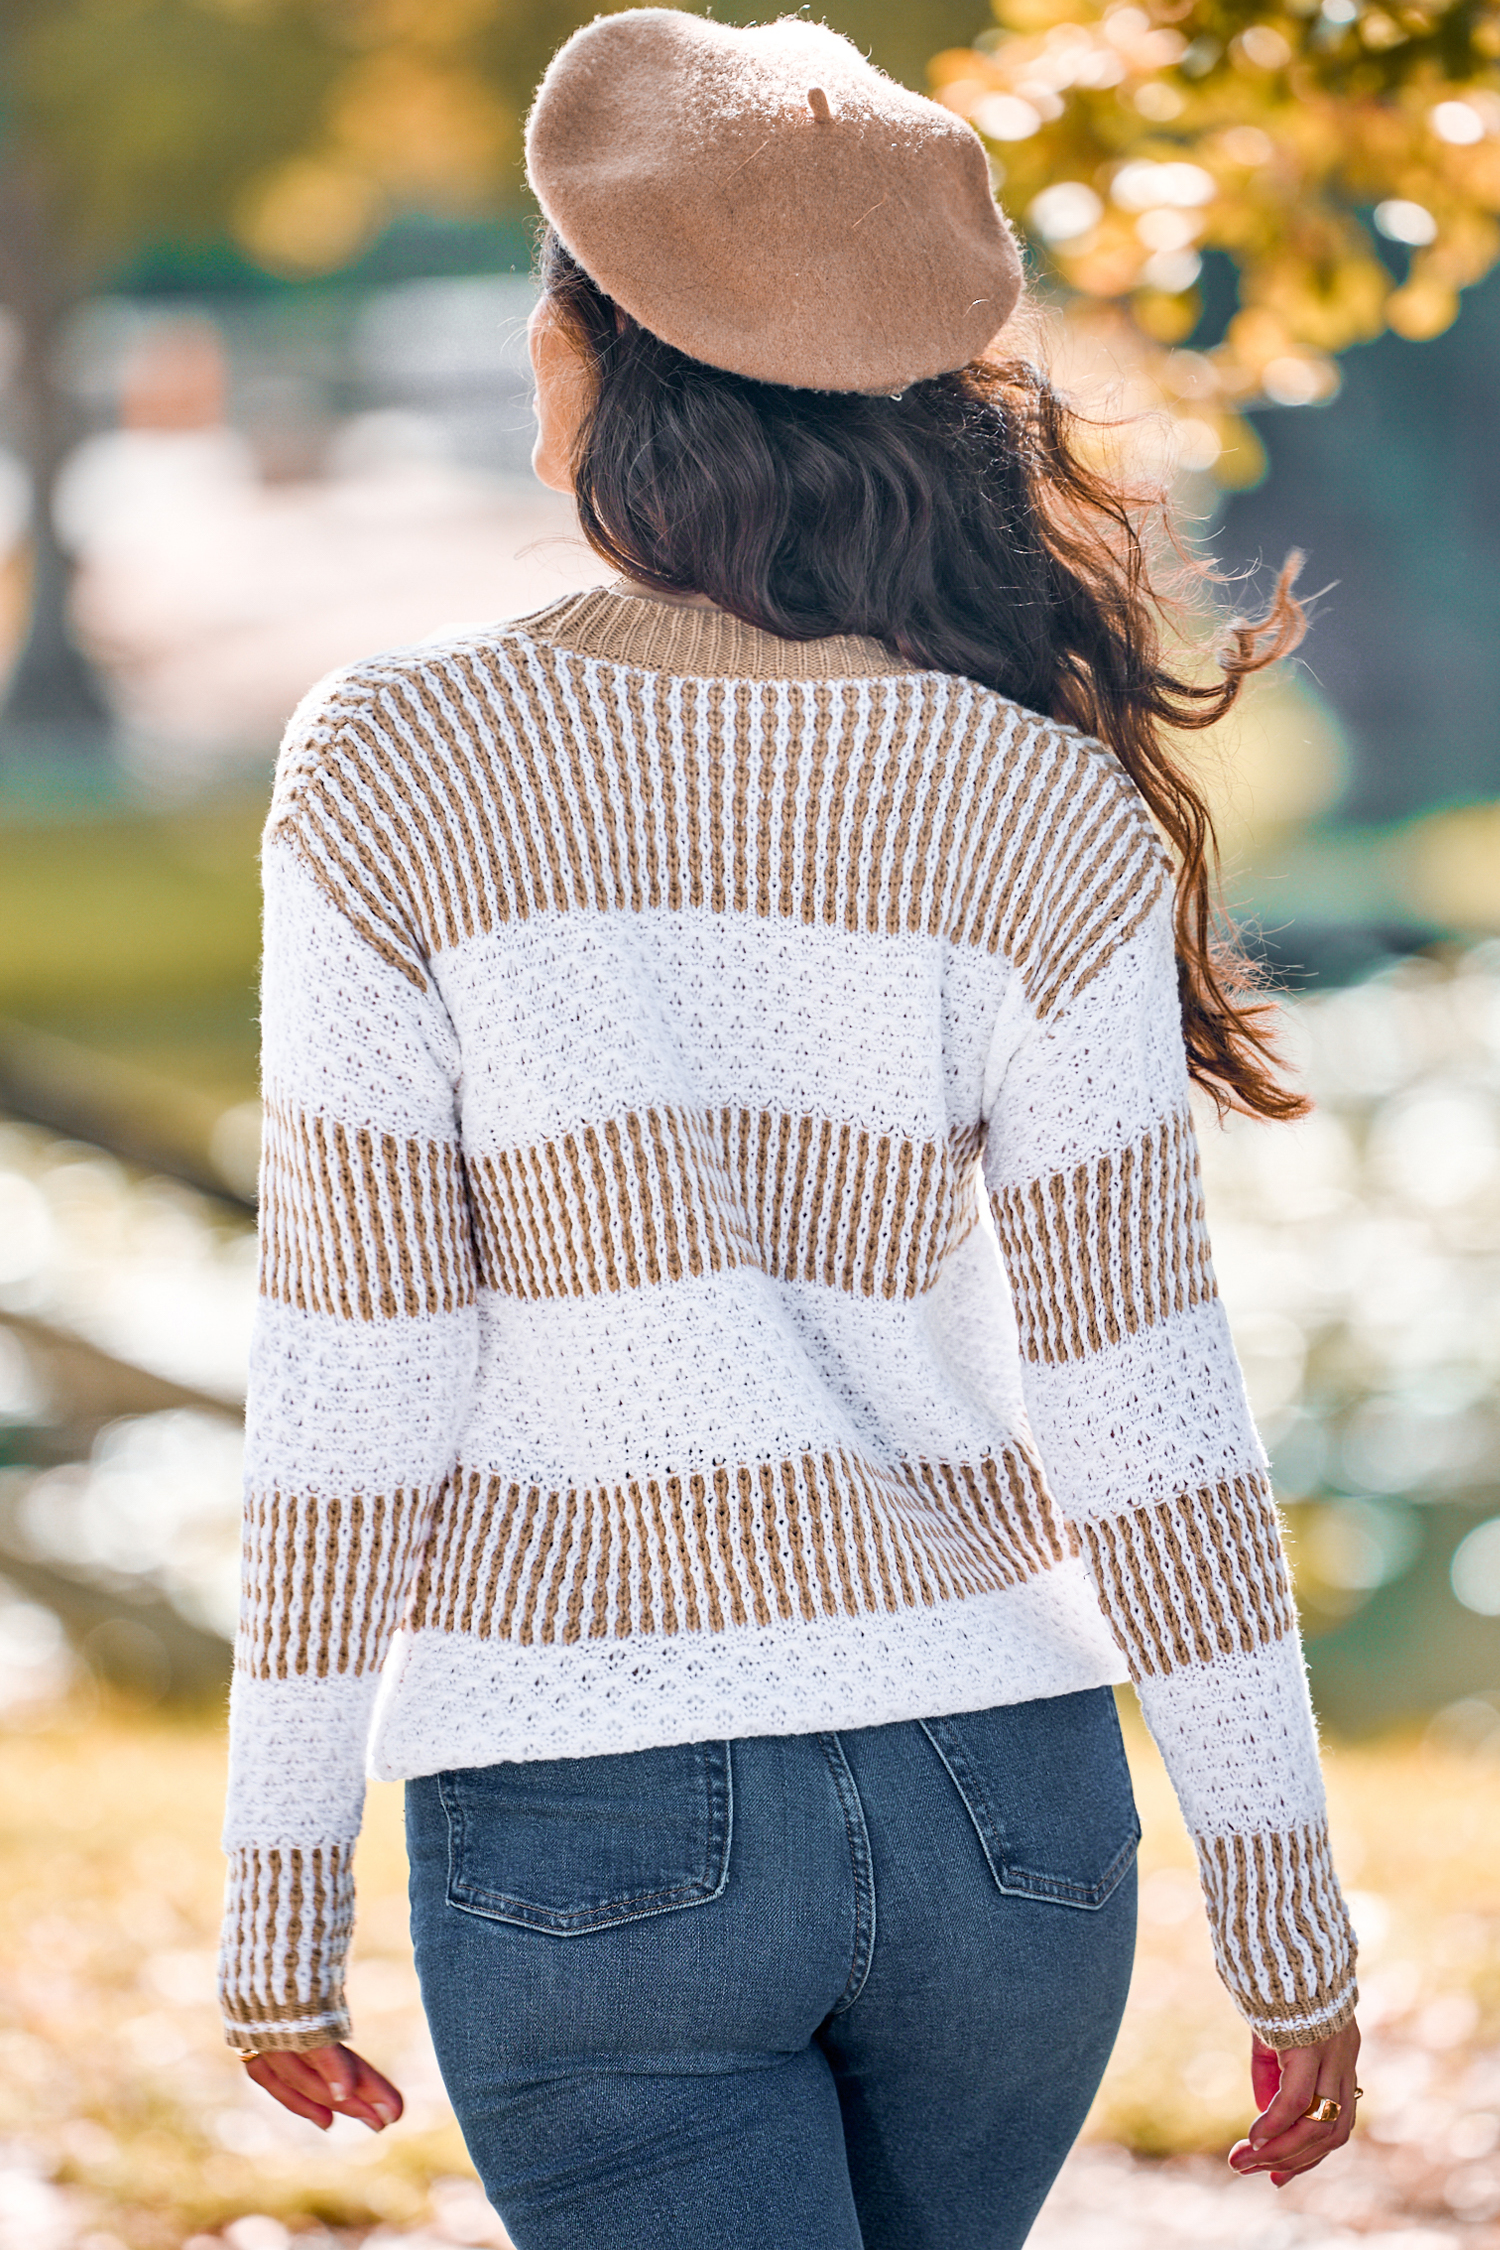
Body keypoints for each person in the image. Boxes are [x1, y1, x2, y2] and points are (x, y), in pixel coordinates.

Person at [218, 13, 1361, 2245]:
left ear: (584, 361)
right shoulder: (1043, 800)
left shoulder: (399, 762)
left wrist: (279, 1881)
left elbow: (356, 1364)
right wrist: (1285, 1907)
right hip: (1012, 1826)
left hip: (591, 1817)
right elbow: (1149, 1410)